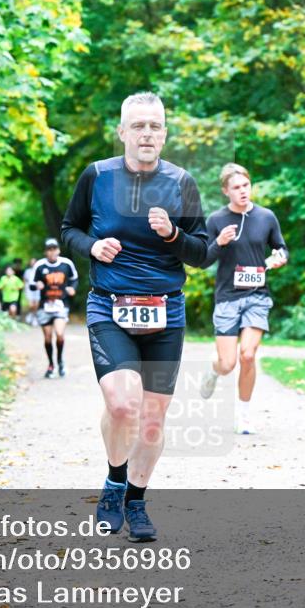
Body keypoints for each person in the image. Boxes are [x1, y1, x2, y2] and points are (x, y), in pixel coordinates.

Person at [60, 91, 209, 542]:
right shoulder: (97, 176)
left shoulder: (182, 181)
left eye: (156, 125)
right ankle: (113, 481)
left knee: (150, 421)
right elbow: (69, 230)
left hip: (166, 310)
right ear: (123, 131)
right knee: (122, 405)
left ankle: (136, 502)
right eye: (139, 125)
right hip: (110, 305)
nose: (148, 133)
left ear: (165, 133)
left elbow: (202, 254)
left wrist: (172, 235)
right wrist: (92, 247)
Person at [198, 163, 288, 436]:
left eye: (246, 186)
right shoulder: (216, 220)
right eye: (236, 188)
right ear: (226, 191)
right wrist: (219, 243)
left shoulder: (266, 217)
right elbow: (203, 259)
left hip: (257, 297)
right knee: (228, 364)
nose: (242, 191)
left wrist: (280, 257)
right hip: (227, 298)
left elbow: (281, 247)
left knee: (248, 355)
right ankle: (214, 372)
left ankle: (244, 415)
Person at [34, 239, 78, 378]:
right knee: (47, 338)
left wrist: (72, 288)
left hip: (61, 304)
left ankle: (60, 361)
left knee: (59, 334)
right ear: (45, 251)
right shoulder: (40, 266)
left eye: (54, 249)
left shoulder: (66, 264)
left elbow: (74, 278)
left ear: (58, 250)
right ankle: (51, 364)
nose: (52, 252)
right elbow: (31, 284)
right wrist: (38, 284)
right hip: (45, 306)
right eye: (49, 249)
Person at [23, 257, 40, 325]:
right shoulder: (27, 271)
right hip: (29, 289)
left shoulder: (39, 270)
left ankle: (34, 317)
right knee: (31, 305)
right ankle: (31, 314)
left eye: (34, 262)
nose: (33, 264)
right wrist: (24, 288)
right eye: (32, 262)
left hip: (37, 289)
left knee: (36, 304)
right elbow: (24, 280)